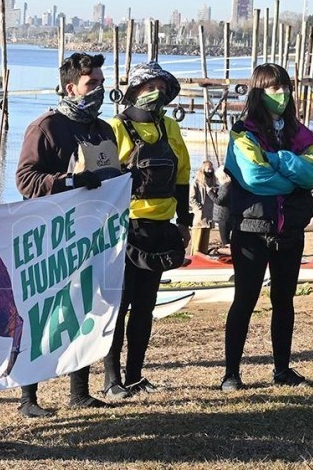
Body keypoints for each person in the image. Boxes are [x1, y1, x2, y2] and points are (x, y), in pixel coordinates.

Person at [14, 53, 118, 416]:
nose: (100, 90)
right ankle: (29, 399)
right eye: (92, 84)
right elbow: (25, 179)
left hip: (91, 234)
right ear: (71, 87)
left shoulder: (103, 130)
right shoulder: (46, 127)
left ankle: (79, 390)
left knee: (85, 310)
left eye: (102, 82)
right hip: (50, 237)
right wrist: (70, 181)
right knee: (42, 314)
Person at [220, 63, 313, 391]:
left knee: (285, 299)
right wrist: (293, 177)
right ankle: (231, 374)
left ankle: (282, 369)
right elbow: (254, 177)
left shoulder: (299, 133)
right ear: (258, 92)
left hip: (289, 231)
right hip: (251, 229)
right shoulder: (243, 132)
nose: (281, 94)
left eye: (285, 87)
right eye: (273, 89)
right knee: (245, 299)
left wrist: (278, 159)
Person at [103, 61, 192, 398]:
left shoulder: (171, 128)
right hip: (125, 231)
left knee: (145, 307)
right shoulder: (116, 128)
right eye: (148, 86)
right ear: (134, 91)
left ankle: (136, 375)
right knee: (119, 306)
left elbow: (182, 176)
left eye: (162, 88)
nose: (156, 93)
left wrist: (184, 221)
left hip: (160, 228)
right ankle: (112, 380)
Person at [189, 160, 218, 255]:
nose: (210, 171)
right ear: (203, 169)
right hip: (199, 217)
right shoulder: (196, 182)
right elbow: (191, 199)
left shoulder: (214, 182)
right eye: (208, 169)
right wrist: (199, 209)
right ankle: (194, 259)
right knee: (196, 243)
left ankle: (204, 258)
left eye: (211, 169)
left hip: (209, 216)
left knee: (205, 244)